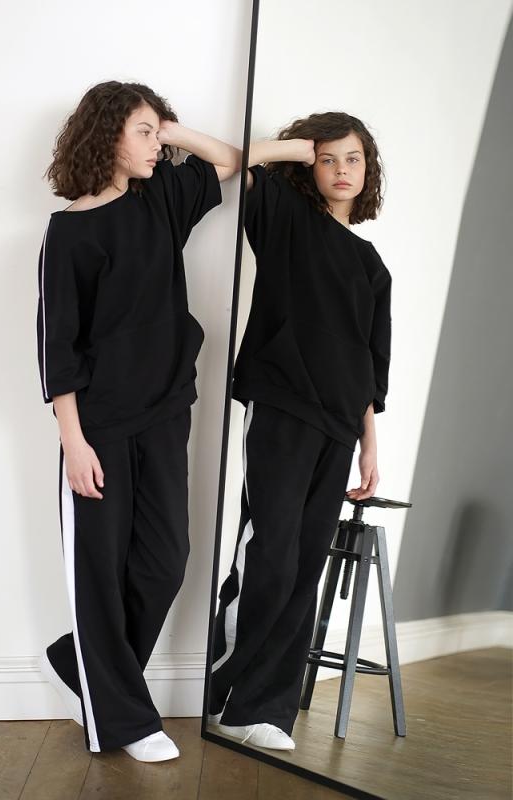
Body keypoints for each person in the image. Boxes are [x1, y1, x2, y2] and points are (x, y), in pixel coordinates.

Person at [36, 80, 241, 761]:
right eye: (144, 132)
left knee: (165, 561)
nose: (157, 145)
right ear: (108, 137)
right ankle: (123, 721)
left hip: (165, 413)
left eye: (159, 132)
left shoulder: (161, 201)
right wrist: (72, 441)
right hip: (97, 426)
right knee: (99, 571)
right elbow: (58, 345)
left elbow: (229, 160)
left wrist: (170, 131)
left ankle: (81, 663)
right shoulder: (69, 232)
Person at [208, 112, 393, 751]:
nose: (342, 170)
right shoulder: (286, 217)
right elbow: (238, 163)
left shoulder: (372, 267)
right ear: (309, 166)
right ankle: (220, 690)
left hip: (339, 429)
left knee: (304, 569)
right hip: (282, 406)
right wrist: (295, 148)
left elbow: (368, 368)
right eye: (329, 159)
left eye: (353, 159)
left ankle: (261, 708)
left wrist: (370, 446)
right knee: (270, 556)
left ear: (368, 171)